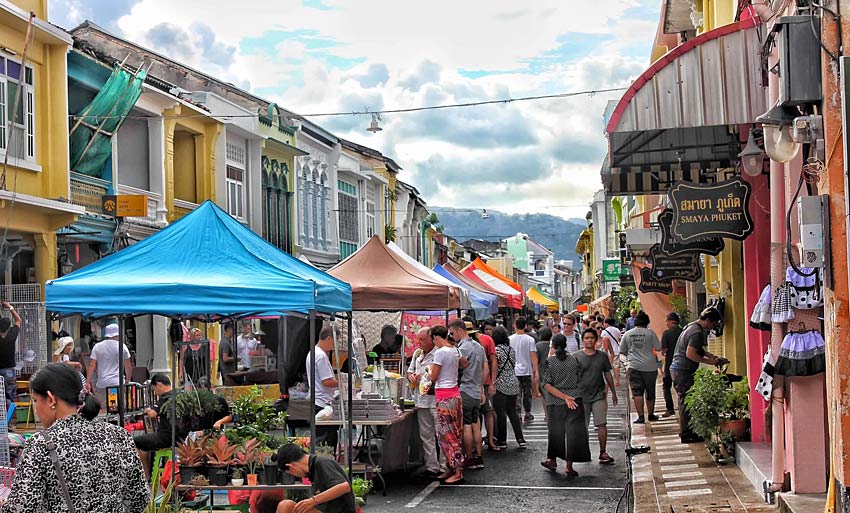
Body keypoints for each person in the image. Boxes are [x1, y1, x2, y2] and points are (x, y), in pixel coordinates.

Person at [1, 363, 149, 513]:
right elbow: (140, 498)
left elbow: (22, 508)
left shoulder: (41, 444)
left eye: (35, 401)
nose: (36, 410)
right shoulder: (120, 436)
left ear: (51, 399)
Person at [671, 307, 728, 443]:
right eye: (714, 323)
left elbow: (699, 350)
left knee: (685, 401)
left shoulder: (691, 327)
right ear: (707, 320)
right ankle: (686, 434)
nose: (714, 327)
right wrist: (710, 362)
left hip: (679, 369)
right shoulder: (696, 332)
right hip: (682, 370)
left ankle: (687, 432)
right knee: (685, 402)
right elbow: (691, 354)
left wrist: (713, 357)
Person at [541, 334, 591, 476]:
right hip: (575, 400)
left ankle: (553, 460)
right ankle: (569, 466)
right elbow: (580, 380)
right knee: (573, 434)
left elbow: (547, 385)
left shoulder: (550, 362)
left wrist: (564, 397)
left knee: (556, 432)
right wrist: (571, 396)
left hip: (556, 402)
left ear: (554, 346)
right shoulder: (574, 360)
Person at [428, 325, 465, 485]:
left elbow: (434, 376)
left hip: (444, 397)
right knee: (455, 432)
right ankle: (452, 468)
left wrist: (429, 370)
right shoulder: (455, 350)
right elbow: (465, 363)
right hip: (455, 394)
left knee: (447, 435)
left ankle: (457, 471)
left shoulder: (440, 352)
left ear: (436, 337)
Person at [574, 328, 618, 465]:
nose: (589, 340)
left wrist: (613, 393)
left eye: (591, 338)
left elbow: (608, 374)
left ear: (596, 340)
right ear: (583, 340)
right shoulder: (575, 357)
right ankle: (584, 452)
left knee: (602, 424)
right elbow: (571, 377)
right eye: (586, 338)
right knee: (583, 426)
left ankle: (602, 452)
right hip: (581, 396)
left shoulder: (602, 356)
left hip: (599, 394)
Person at [406, 328, 444, 479]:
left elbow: (438, 374)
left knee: (440, 433)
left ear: (431, 339)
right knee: (426, 434)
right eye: (419, 340)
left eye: (423, 340)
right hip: (421, 400)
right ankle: (431, 465)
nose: (420, 343)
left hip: (435, 399)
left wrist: (424, 375)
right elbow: (409, 372)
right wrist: (412, 377)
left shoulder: (439, 353)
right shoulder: (417, 354)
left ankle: (444, 465)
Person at [450, 319, 488, 470]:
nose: (452, 336)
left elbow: (457, 368)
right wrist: (480, 386)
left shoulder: (462, 348)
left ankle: (469, 457)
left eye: (452, 333)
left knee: (466, 425)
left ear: (460, 330)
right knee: (475, 424)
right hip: (476, 390)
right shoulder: (478, 346)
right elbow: (485, 369)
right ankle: (479, 456)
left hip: (465, 389)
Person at [275, 443, 356, 513]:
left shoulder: (322, 463)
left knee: (285, 506)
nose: (295, 476)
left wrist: (313, 501)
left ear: (291, 466)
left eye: (291, 473)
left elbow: (344, 486)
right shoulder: (312, 470)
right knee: (286, 506)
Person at [133, 373, 187, 475]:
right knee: (146, 441)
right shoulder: (180, 394)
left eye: (154, 389)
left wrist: (148, 410)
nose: (156, 392)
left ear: (159, 385)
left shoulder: (165, 397)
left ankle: (146, 474)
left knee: (137, 441)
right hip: (182, 437)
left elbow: (153, 414)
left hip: (166, 438)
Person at [619, 311, 662, 424]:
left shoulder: (628, 334)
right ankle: (651, 415)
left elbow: (622, 351)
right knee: (650, 391)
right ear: (647, 322)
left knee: (637, 392)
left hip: (634, 366)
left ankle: (641, 416)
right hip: (650, 367)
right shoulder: (650, 333)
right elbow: (658, 348)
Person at [307, 326, 340, 451]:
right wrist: (342, 383)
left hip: (317, 400)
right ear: (329, 338)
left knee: (322, 439)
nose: (334, 346)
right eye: (334, 342)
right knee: (326, 441)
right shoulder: (320, 356)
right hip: (322, 403)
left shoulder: (313, 352)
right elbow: (326, 381)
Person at [86, 323, 132, 412]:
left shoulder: (97, 346)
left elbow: (91, 365)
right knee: (118, 410)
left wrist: (88, 382)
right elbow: (128, 366)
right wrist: (128, 379)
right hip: (117, 383)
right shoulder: (122, 346)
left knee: (103, 410)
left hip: (102, 384)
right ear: (117, 334)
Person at [492, 326, 525, 449]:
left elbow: (495, 367)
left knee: (500, 413)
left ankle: (502, 439)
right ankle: (520, 438)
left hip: (501, 383)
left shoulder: (495, 351)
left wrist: (492, 382)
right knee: (512, 412)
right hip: (513, 382)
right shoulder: (511, 350)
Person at [468, 319, 498, 452]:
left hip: (482, 383)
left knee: (486, 411)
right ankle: (477, 443)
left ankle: (490, 439)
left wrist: (492, 382)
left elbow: (493, 361)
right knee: (477, 414)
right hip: (473, 384)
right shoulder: (461, 344)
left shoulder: (485, 341)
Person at [509, 316, 539, 424]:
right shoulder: (530, 339)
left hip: (514, 371)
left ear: (514, 326)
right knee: (527, 393)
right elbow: (533, 356)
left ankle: (518, 414)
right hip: (527, 370)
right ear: (525, 326)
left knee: (517, 393)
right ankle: (527, 413)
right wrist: (536, 370)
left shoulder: (510, 339)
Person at [660, 312, 683, 418]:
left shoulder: (666, 333)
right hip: (683, 363)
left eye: (666, 321)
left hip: (670, 364)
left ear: (671, 322)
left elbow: (664, 351)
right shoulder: (683, 332)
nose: (666, 323)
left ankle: (670, 409)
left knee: (666, 386)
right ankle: (683, 408)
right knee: (681, 387)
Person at [0, 302, 21, 420]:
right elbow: (18, 320)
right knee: (11, 396)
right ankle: (11, 421)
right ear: (8, 329)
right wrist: (9, 307)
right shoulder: (11, 335)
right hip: (9, 371)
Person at [535, 327, 553, 422]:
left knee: (544, 394)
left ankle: (547, 414)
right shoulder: (552, 344)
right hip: (552, 370)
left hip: (542, 371)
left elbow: (536, 360)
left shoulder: (538, 346)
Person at [600, 318, 622, 386]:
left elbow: (602, 341)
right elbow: (619, 339)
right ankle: (617, 381)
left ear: (606, 323)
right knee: (616, 367)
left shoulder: (604, 332)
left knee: (607, 368)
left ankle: (608, 381)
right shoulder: (617, 330)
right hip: (616, 350)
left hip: (607, 352)